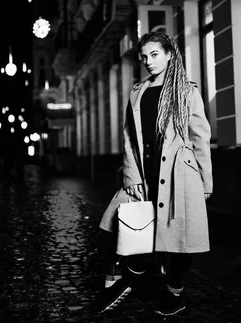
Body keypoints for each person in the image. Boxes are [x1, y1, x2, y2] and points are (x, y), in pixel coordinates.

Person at [93, 31, 213, 316]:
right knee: (119, 226)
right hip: (144, 172)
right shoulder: (138, 92)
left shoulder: (186, 91)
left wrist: (206, 181)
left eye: (154, 54)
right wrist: (131, 176)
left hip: (179, 174)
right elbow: (128, 138)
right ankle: (128, 277)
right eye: (144, 57)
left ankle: (175, 294)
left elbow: (200, 137)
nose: (148, 61)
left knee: (179, 240)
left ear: (170, 54)